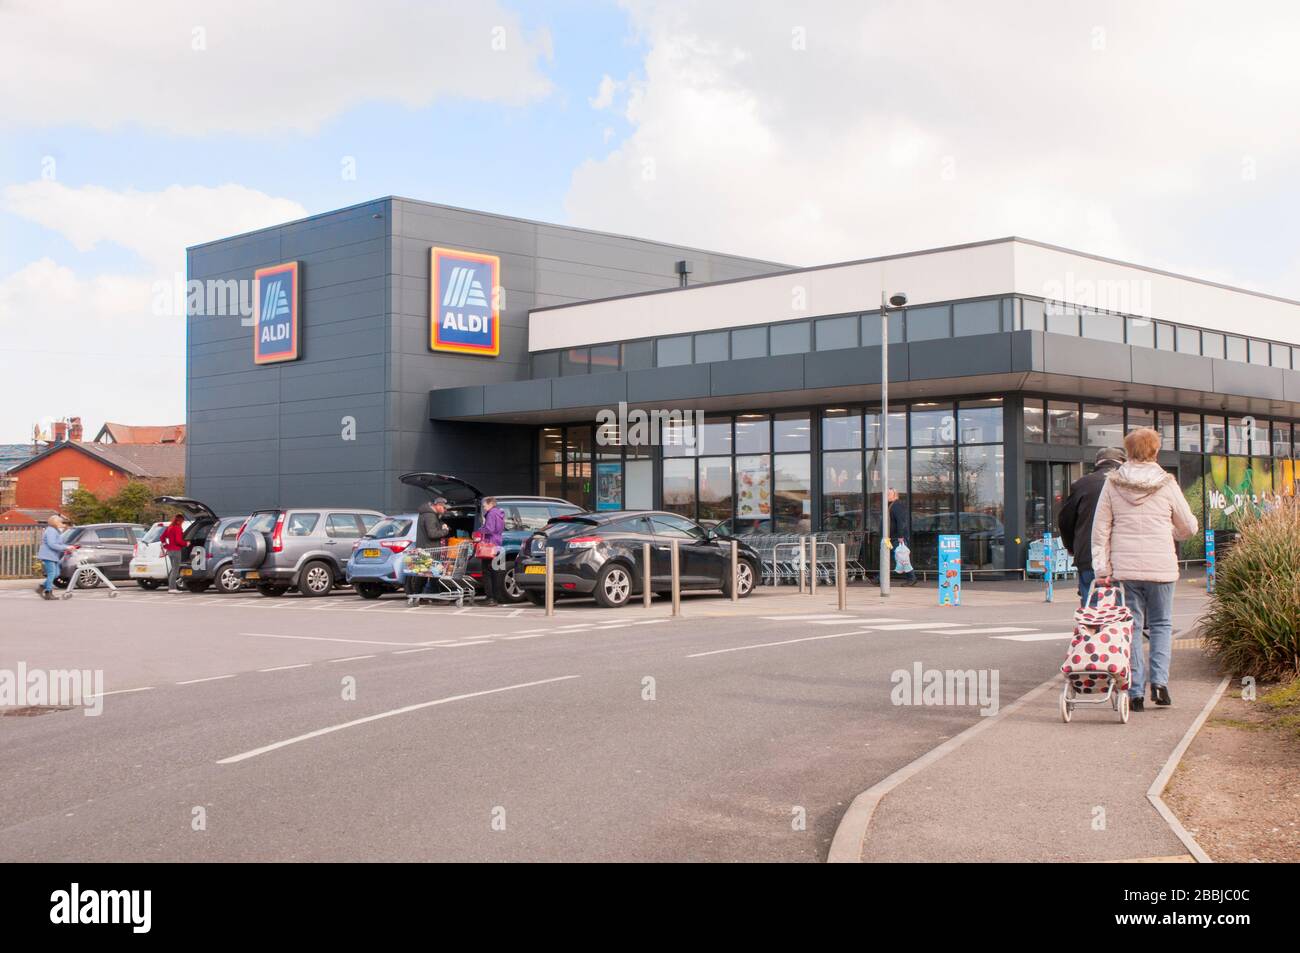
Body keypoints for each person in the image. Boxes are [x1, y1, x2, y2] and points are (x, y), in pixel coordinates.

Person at [1092, 427, 1198, 712]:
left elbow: (1100, 529)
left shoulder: (1113, 483)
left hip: (1125, 570)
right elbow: (1188, 526)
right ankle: (1160, 684)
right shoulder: (1167, 484)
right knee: (1162, 625)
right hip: (1161, 567)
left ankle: (1135, 691)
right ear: (1155, 451)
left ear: (1128, 451)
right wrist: (1170, 534)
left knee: (1132, 628)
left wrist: (1101, 568)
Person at [1058, 446, 1126, 605]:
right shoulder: (1129, 483)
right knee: (1126, 606)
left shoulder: (1082, 484)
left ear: (1097, 463)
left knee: (1091, 602)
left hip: (1089, 554)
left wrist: (1071, 547)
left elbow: (1065, 520)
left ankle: (1094, 626)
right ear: (1122, 462)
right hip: (1124, 556)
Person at [409, 498, 450, 597]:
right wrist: (445, 531)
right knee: (433, 573)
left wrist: (441, 523)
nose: (445, 511)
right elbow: (432, 534)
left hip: (425, 548)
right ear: (439, 506)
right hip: (429, 549)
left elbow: (433, 527)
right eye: (444, 508)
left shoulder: (428, 514)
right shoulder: (430, 516)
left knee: (423, 574)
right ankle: (432, 596)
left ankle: (417, 595)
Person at [474, 497, 506, 606]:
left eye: (484, 505)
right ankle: (496, 597)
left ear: (491, 504)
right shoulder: (500, 513)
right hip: (498, 545)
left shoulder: (491, 514)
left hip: (489, 546)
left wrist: (479, 530)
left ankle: (490, 598)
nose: (483, 508)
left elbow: (489, 529)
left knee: (487, 572)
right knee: (496, 572)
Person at [35, 515, 75, 600]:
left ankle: (41, 587)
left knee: (56, 574)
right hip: (48, 555)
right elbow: (52, 544)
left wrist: (68, 547)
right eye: (61, 522)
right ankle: (48, 592)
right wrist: (66, 548)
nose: (62, 523)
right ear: (55, 522)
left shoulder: (55, 531)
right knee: (52, 574)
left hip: (53, 556)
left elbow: (59, 544)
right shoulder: (51, 531)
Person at [886, 488, 917, 586]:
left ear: (895, 495)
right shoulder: (890, 505)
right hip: (891, 537)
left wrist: (900, 536)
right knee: (887, 557)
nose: (886, 495)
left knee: (902, 558)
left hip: (896, 537)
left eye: (889, 494)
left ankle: (912, 578)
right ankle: (880, 578)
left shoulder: (897, 505)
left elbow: (901, 521)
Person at [161, 513, 186, 593]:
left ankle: (171, 587)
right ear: (179, 521)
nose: (182, 523)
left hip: (170, 551)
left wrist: (166, 546)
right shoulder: (177, 528)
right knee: (175, 569)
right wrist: (186, 544)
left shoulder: (170, 527)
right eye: (182, 521)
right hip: (176, 551)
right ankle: (172, 588)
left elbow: (162, 537)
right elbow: (178, 541)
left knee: (173, 569)